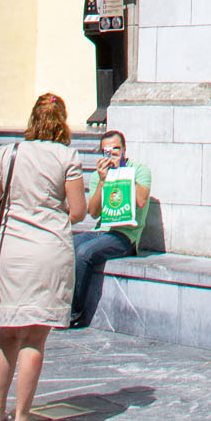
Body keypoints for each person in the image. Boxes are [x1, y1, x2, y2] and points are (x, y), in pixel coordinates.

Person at [0, 93, 86, 421]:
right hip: (48, 249)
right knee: (34, 338)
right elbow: (78, 212)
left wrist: (16, 217)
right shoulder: (66, 155)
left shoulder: (6, 153)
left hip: (10, 248)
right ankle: (22, 418)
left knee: (8, 331)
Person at [71, 128, 152, 328]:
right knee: (66, 245)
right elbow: (94, 212)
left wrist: (122, 172)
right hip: (102, 230)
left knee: (84, 253)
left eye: (116, 149)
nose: (112, 154)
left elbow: (141, 201)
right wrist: (103, 180)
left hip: (125, 235)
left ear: (124, 149)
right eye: (107, 151)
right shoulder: (99, 175)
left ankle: (74, 312)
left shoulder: (139, 170)